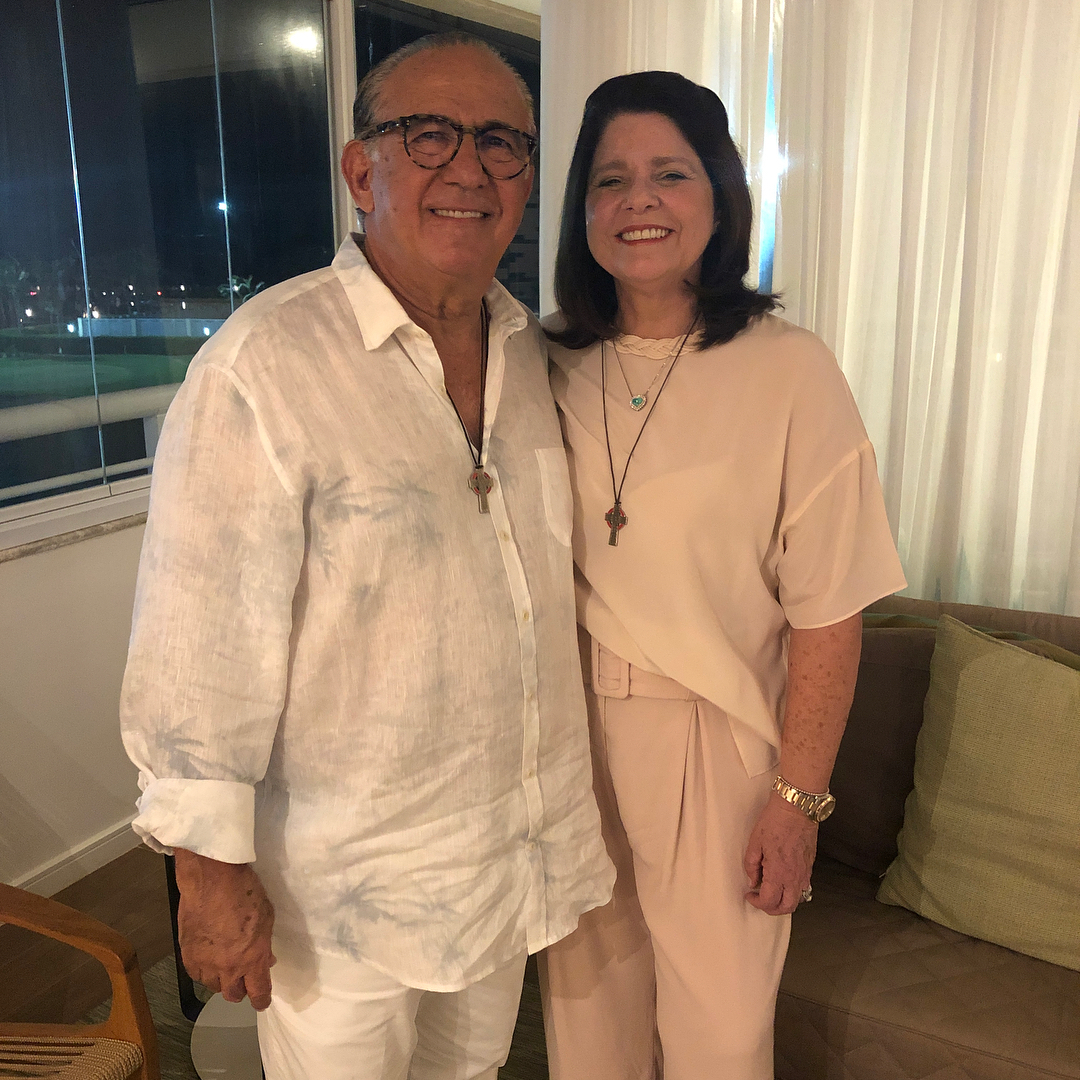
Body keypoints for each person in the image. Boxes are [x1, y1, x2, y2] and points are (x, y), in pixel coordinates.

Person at [119, 34, 614, 1080]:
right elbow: (197, 654)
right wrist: (208, 880)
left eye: (502, 143)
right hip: (341, 892)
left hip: (501, 852)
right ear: (361, 170)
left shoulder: (534, 357)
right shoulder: (267, 363)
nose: (469, 168)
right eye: (429, 135)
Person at [538, 71, 907, 1080]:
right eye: (610, 179)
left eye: (670, 173)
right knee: (587, 1037)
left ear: (720, 196)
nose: (639, 201)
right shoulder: (541, 360)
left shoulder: (790, 370)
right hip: (566, 741)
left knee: (721, 1043)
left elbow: (829, 613)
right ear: (581, 209)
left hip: (715, 742)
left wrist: (799, 801)